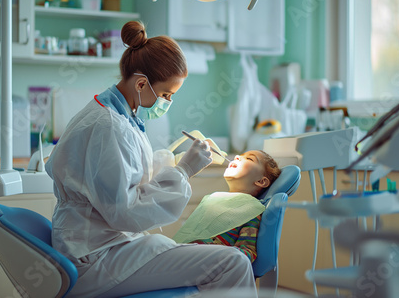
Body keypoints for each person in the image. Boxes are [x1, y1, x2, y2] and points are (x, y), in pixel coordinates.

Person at [45, 21, 257, 298]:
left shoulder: (117, 115)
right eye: (167, 94)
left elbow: (125, 175)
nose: (167, 101)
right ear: (142, 83)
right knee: (234, 262)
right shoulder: (108, 125)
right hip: (94, 258)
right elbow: (125, 212)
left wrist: (172, 162)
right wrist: (182, 171)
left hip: (104, 246)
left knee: (215, 260)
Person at [174, 150, 281, 263]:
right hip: (183, 255)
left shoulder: (251, 211)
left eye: (250, 159)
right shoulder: (213, 198)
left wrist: (219, 254)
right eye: (239, 155)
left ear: (261, 181)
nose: (236, 157)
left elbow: (247, 252)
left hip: (203, 263)